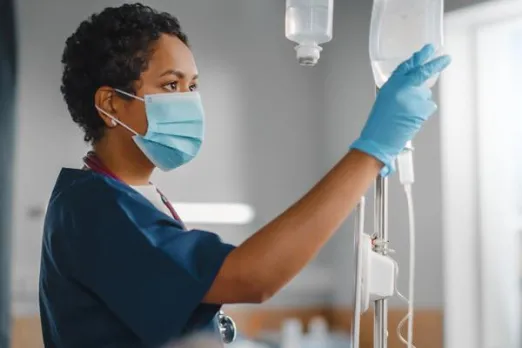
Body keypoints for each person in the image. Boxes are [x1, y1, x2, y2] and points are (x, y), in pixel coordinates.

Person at [38, 3, 451, 348]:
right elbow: (251, 277)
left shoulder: (134, 199)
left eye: (193, 85)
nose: (189, 102)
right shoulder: (92, 210)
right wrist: (370, 153)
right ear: (110, 105)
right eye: (170, 85)